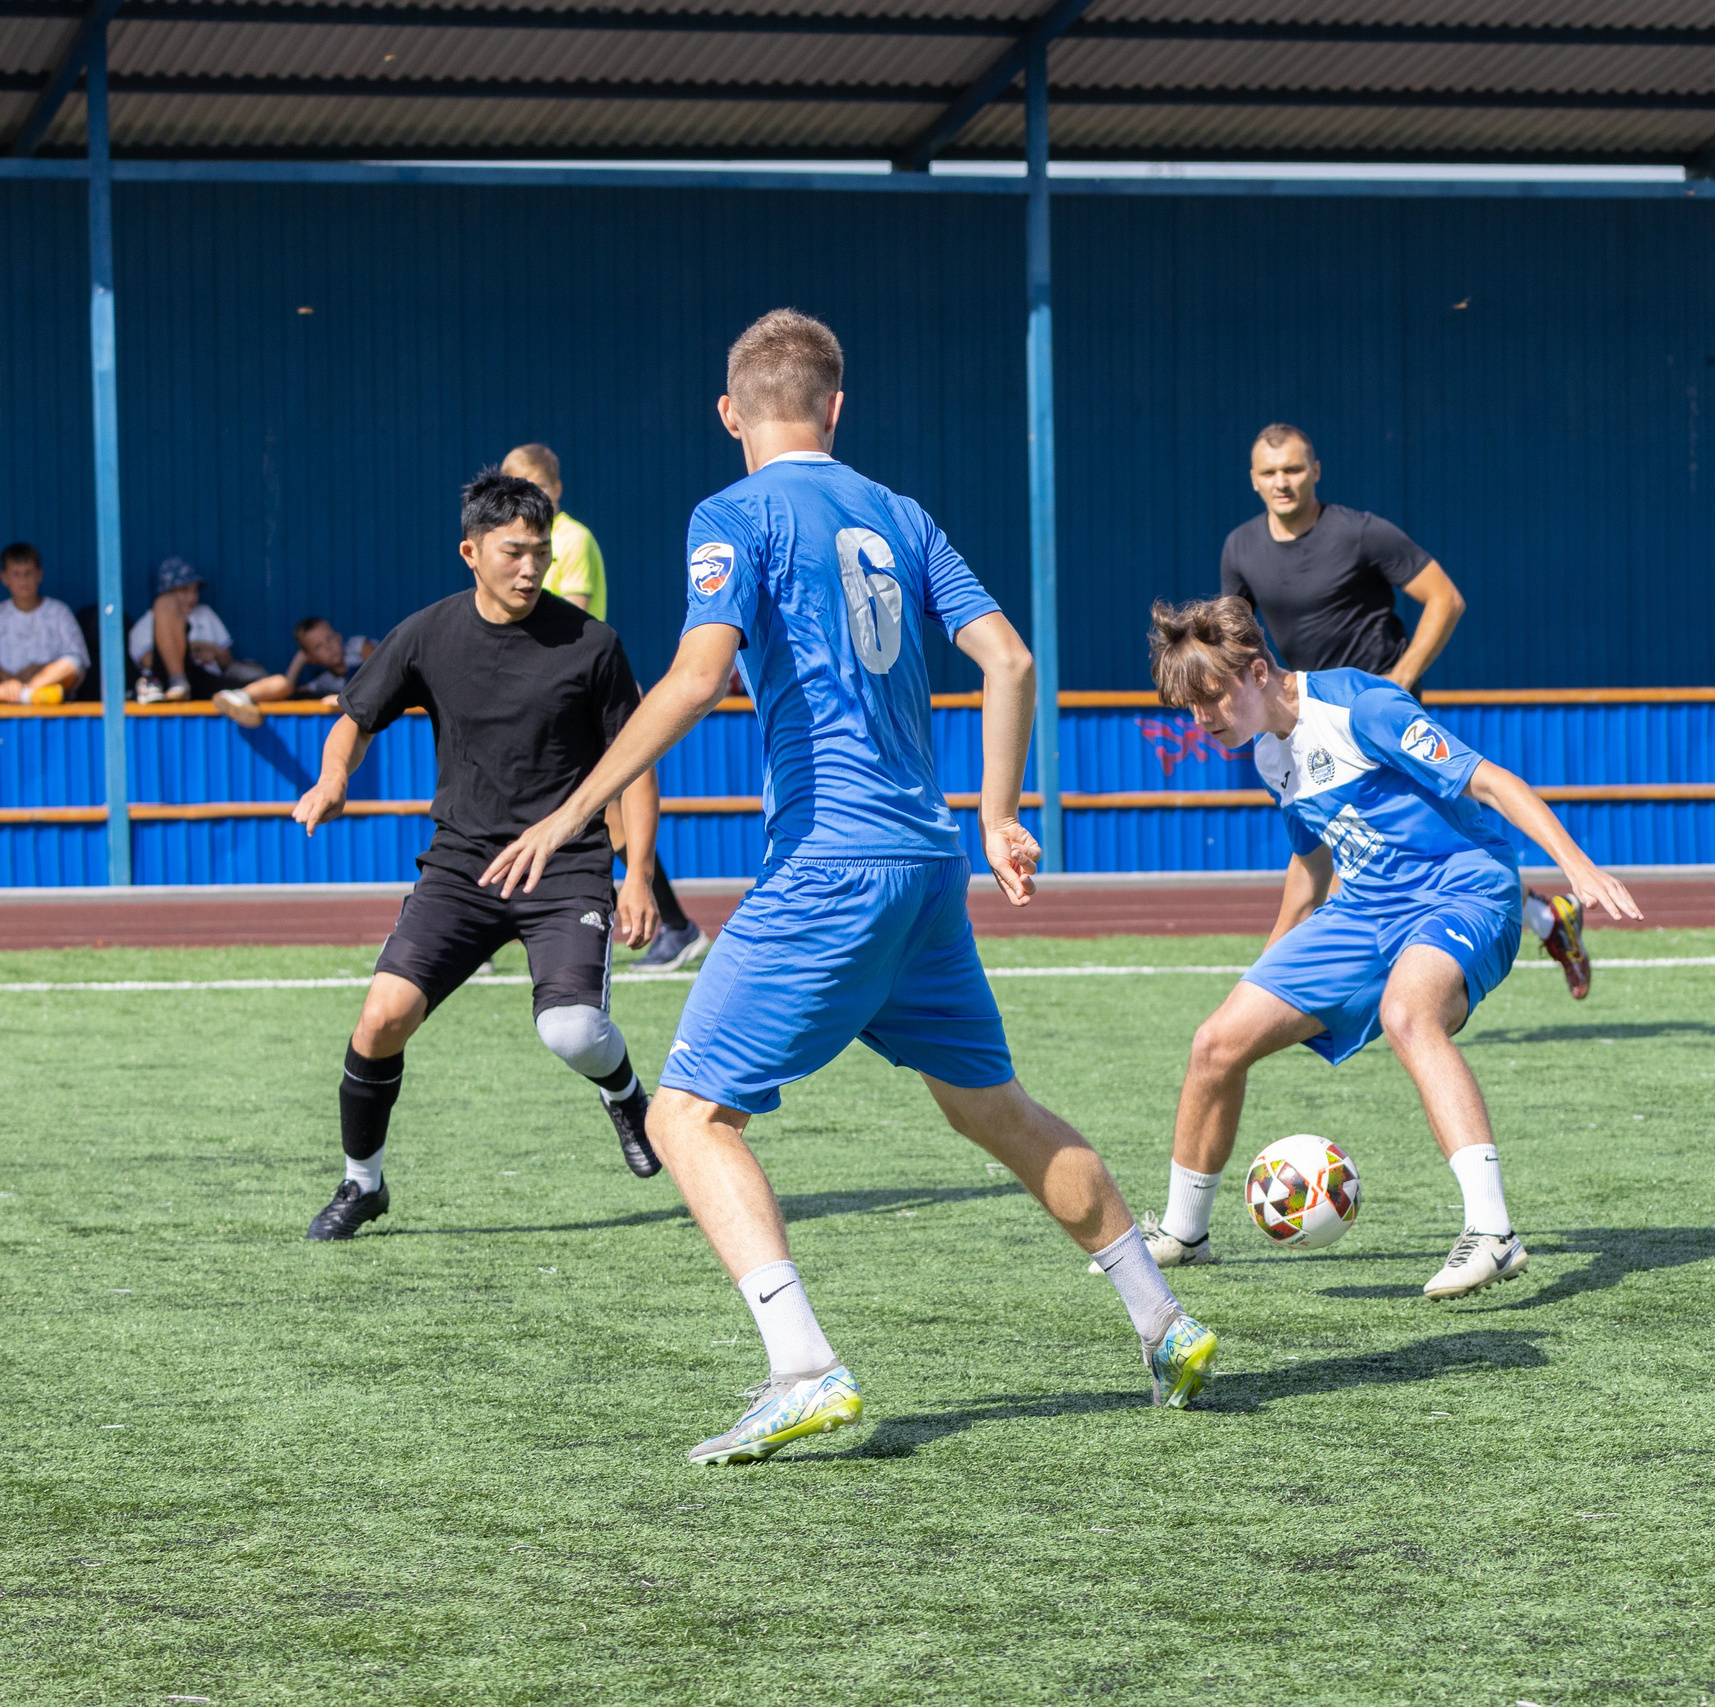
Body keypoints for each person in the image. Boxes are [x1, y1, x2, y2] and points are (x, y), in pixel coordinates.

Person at [479, 309, 1219, 1464]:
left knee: (683, 1114)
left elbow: (695, 676)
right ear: (836, 406)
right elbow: (1010, 660)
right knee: (993, 1107)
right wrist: (999, 813)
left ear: (730, 414)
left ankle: (802, 1367)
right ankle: (1162, 1321)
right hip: (928, 865)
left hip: (829, 866)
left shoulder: (732, 513)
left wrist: (575, 810)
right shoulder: (900, 513)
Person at [1127, 595, 1642, 1297]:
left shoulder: (1361, 708)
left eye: (1210, 699)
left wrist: (1577, 866)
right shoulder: (1270, 753)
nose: (1202, 720)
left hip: (1465, 891)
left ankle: (1493, 1233)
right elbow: (1310, 867)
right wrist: (1268, 968)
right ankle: (1184, 1233)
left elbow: (1491, 781)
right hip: (1366, 909)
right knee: (1216, 1042)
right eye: (1189, 707)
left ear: (1255, 670)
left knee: (1409, 1011)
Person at [291, 471, 667, 1241]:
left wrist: (637, 877)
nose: (531, 569)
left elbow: (636, 764)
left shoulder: (593, 645)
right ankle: (363, 1183)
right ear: (471, 550)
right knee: (381, 1018)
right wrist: (332, 779)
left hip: (564, 868)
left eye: (540, 553)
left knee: (571, 1032)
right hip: (463, 865)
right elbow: (355, 716)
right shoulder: (428, 633)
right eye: (513, 553)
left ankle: (626, 1094)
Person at [1218, 425, 1595, 1001]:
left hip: (1377, 719)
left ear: (1315, 469)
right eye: (1269, 473)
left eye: (1293, 469)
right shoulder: (1240, 548)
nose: (1282, 482)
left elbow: (1446, 598)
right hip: (1307, 723)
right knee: (1379, 855)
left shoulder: (1361, 533)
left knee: (1407, 850)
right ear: (1253, 480)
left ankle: (1413, 984)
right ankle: (1543, 920)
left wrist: (1402, 676)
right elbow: (1232, 640)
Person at [502, 441, 706, 970]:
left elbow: (569, 622)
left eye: (531, 486)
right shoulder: (516, 540)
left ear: (555, 489)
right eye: (512, 486)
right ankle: (675, 924)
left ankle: (672, 922)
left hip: (574, 696)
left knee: (609, 813)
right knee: (584, 813)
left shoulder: (569, 539)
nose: (521, 497)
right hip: (542, 696)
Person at [129, 557, 291, 727]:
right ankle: (179, 684)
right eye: (184, 590)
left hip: (206, 678)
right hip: (169, 680)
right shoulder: (149, 620)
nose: (192, 596)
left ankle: (237, 698)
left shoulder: (205, 613)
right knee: (165, 605)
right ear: (166, 590)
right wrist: (196, 648)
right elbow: (147, 660)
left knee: (282, 683)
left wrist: (214, 653)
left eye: (195, 590)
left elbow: (227, 661)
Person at [0, 542, 87, 705]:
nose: (23, 580)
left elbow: (76, 663)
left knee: (71, 662)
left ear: (39, 574)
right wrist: (9, 681)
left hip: (47, 691)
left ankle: (26, 694)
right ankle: (23, 696)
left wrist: (39, 672)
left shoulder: (59, 611)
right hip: (5, 691)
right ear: (4, 578)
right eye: (16, 574)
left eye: (28, 573)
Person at [281, 616, 375, 704]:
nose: (328, 647)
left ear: (339, 637)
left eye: (329, 638)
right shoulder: (323, 682)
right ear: (312, 659)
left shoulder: (358, 647)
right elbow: (286, 692)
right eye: (318, 646)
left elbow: (380, 671)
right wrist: (299, 660)